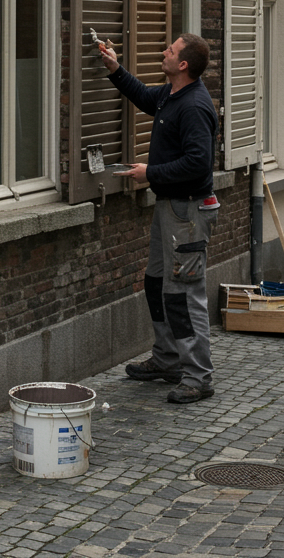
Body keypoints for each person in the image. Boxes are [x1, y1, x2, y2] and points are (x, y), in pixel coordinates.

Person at [97, 33, 219, 404]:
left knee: (184, 294)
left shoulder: (194, 106)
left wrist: (150, 172)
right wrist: (115, 68)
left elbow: (198, 163)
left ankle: (198, 377)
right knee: (157, 283)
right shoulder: (172, 94)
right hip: (169, 208)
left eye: (170, 50)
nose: (163, 51)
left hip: (188, 213)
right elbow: (144, 97)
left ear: (183, 64)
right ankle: (168, 359)